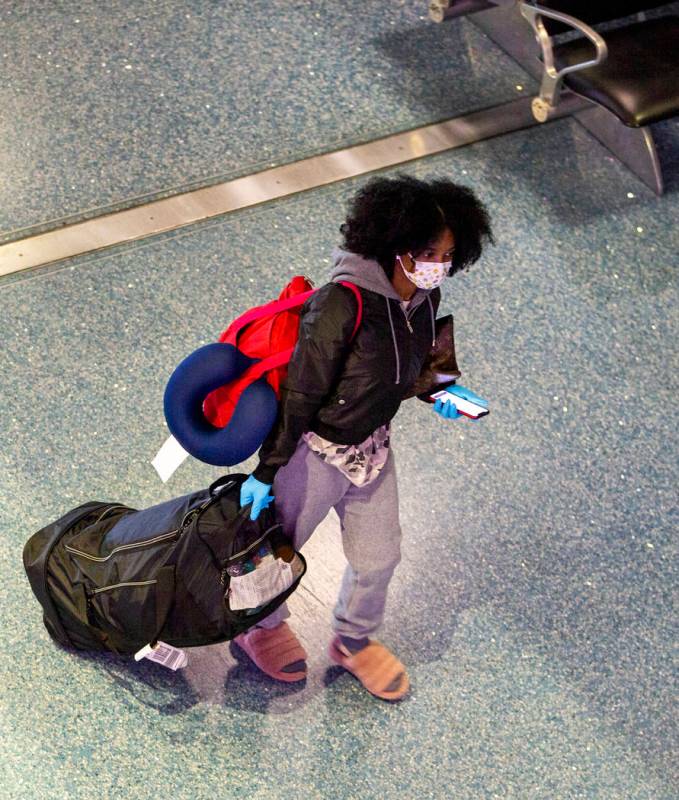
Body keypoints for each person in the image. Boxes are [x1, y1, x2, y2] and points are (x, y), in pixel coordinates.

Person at [234, 174, 493, 700]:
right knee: (276, 552)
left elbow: (412, 361)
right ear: (395, 246)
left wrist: (437, 391)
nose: (438, 264)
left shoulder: (422, 296)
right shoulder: (340, 304)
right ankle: (256, 628)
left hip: (372, 448)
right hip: (312, 452)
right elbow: (302, 395)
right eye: (427, 252)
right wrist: (267, 470)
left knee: (379, 556)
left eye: (446, 253)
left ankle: (352, 640)